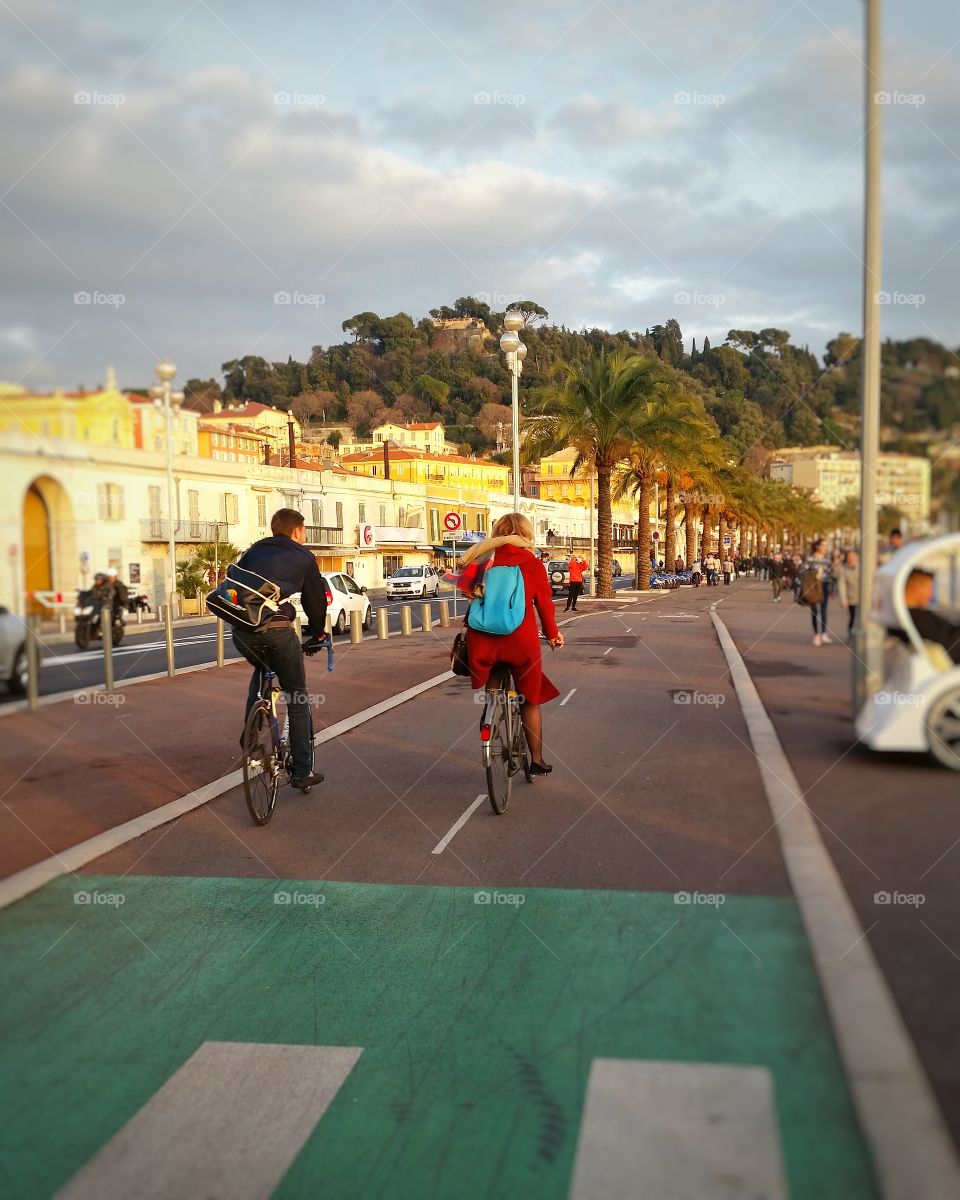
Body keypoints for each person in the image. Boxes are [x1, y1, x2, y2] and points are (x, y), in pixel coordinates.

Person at [458, 513, 564, 774]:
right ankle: (536, 761)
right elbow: (544, 606)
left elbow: (467, 592)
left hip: (482, 638)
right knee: (530, 699)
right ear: (526, 534)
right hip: (520, 640)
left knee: (493, 679)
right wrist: (552, 635)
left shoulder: (482, 557)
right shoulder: (531, 563)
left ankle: (490, 717)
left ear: (497, 533)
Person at [232, 508, 328, 789]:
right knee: (297, 696)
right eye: (304, 530)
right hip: (277, 632)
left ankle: (251, 732)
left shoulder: (253, 551)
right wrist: (318, 634)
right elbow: (314, 602)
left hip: (242, 632)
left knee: (262, 667)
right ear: (297, 531)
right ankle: (302, 771)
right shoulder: (304, 556)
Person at [903, 569, 960, 664]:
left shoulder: (913, 615)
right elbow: (948, 644)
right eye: (929, 588)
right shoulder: (918, 619)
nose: (931, 594)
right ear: (917, 587)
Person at [800, 538, 834, 646]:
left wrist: (830, 585)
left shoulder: (827, 559)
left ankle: (823, 633)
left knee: (824, 610)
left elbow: (831, 573)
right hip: (813, 586)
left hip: (824, 585)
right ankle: (816, 634)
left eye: (826, 545)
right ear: (817, 546)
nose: (825, 548)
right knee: (814, 610)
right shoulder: (810, 558)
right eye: (823, 545)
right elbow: (803, 571)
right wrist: (814, 574)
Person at [837, 549, 860, 637]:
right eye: (849, 556)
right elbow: (841, 585)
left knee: (863, 618)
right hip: (852, 598)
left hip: (863, 598)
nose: (851, 558)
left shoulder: (863, 567)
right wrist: (843, 599)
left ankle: (860, 636)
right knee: (853, 617)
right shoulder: (844, 569)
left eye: (853, 556)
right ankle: (851, 635)